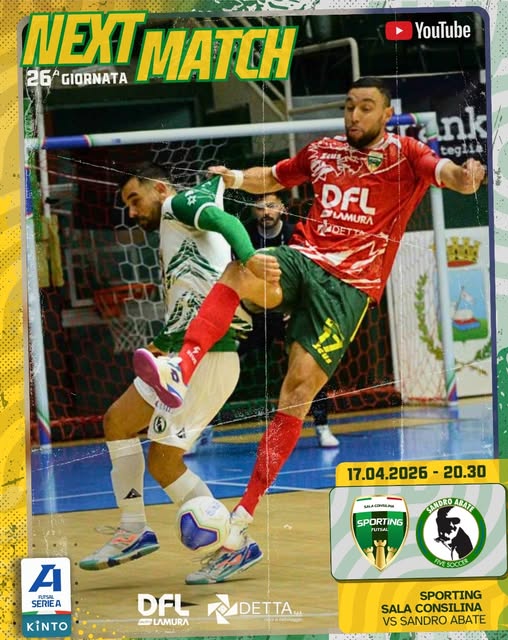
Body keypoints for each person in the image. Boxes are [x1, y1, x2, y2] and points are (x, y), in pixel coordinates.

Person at [133, 76, 486, 583]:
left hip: (349, 289)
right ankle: (180, 367)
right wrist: (235, 177)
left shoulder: (406, 154)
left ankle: (240, 527)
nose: (354, 115)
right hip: (304, 259)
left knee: (295, 394)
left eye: (366, 107)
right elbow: (274, 177)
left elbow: (448, 174)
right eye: (349, 106)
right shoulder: (322, 151)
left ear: (386, 114)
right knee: (240, 269)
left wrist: (467, 176)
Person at [79, 162, 280, 584]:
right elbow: (193, 295)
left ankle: (234, 546)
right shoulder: (174, 226)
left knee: (164, 461)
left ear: (158, 187)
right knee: (118, 421)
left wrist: (251, 258)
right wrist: (161, 342)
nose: (132, 211)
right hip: (178, 354)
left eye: (135, 199)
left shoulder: (179, 203)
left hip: (209, 358)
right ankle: (133, 529)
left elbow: (226, 221)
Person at [241, 192, 339, 448]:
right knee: (225, 359)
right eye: (259, 207)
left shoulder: (296, 232)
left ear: (282, 208)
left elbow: (311, 276)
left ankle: (322, 425)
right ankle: (202, 427)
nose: (266, 212)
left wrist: (297, 307)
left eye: (271, 206)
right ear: (252, 210)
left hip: (290, 313)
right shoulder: (244, 235)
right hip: (255, 313)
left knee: (313, 360)